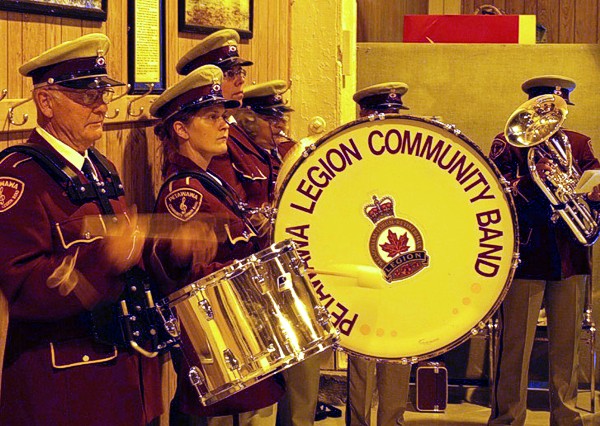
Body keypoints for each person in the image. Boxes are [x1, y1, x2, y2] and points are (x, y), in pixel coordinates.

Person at [0, 33, 162, 425]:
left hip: (121, 376)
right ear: (46, 101)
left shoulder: (100, 167)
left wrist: (165, 248)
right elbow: (22, 288)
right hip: (64, 390)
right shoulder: (19, 177)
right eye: (87, 95)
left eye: (103, 94)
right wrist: (103, 256)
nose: (103, 106)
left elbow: (126, 262)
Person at [146, 64, 284, 426]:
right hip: (219, 350)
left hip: (239, 342)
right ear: (181, 130)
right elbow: (190, 281)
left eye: (223, 115)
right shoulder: (185, 193)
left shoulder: (210, 183)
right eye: (211, 117)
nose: (225, 124)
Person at [488, 75, 600, 426]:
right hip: (527, 254)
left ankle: (566, 417)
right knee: (515, 345)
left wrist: (589, 194)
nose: (551, 120)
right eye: (544, 111)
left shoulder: (579, 143)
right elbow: (494, 193)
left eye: (557, 111)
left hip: (570, 255)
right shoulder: (507, 143)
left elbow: (594, 186)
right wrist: (529, 179)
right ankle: (508, 417)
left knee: (566, 347)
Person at [345, 82, 413, 426]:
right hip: (362, 266)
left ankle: (392, 421)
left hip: (404, 264)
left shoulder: (411, 162)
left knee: (399, 351)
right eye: (382, 116)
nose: (389, 124)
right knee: (362, 354)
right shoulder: (348, 160)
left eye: (391, 116)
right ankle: (357, 422)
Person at [176, 29, 275, 214]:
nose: (241, 81)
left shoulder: (231, 123)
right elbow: (233, 210)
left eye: (240, 72)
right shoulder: (208, 137)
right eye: (230, 74)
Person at [234, 79, 296, 180]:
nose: (281, 125)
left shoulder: (289, 152)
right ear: (248, 121)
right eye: (271, 120)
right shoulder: (242, 158)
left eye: (282, 118)